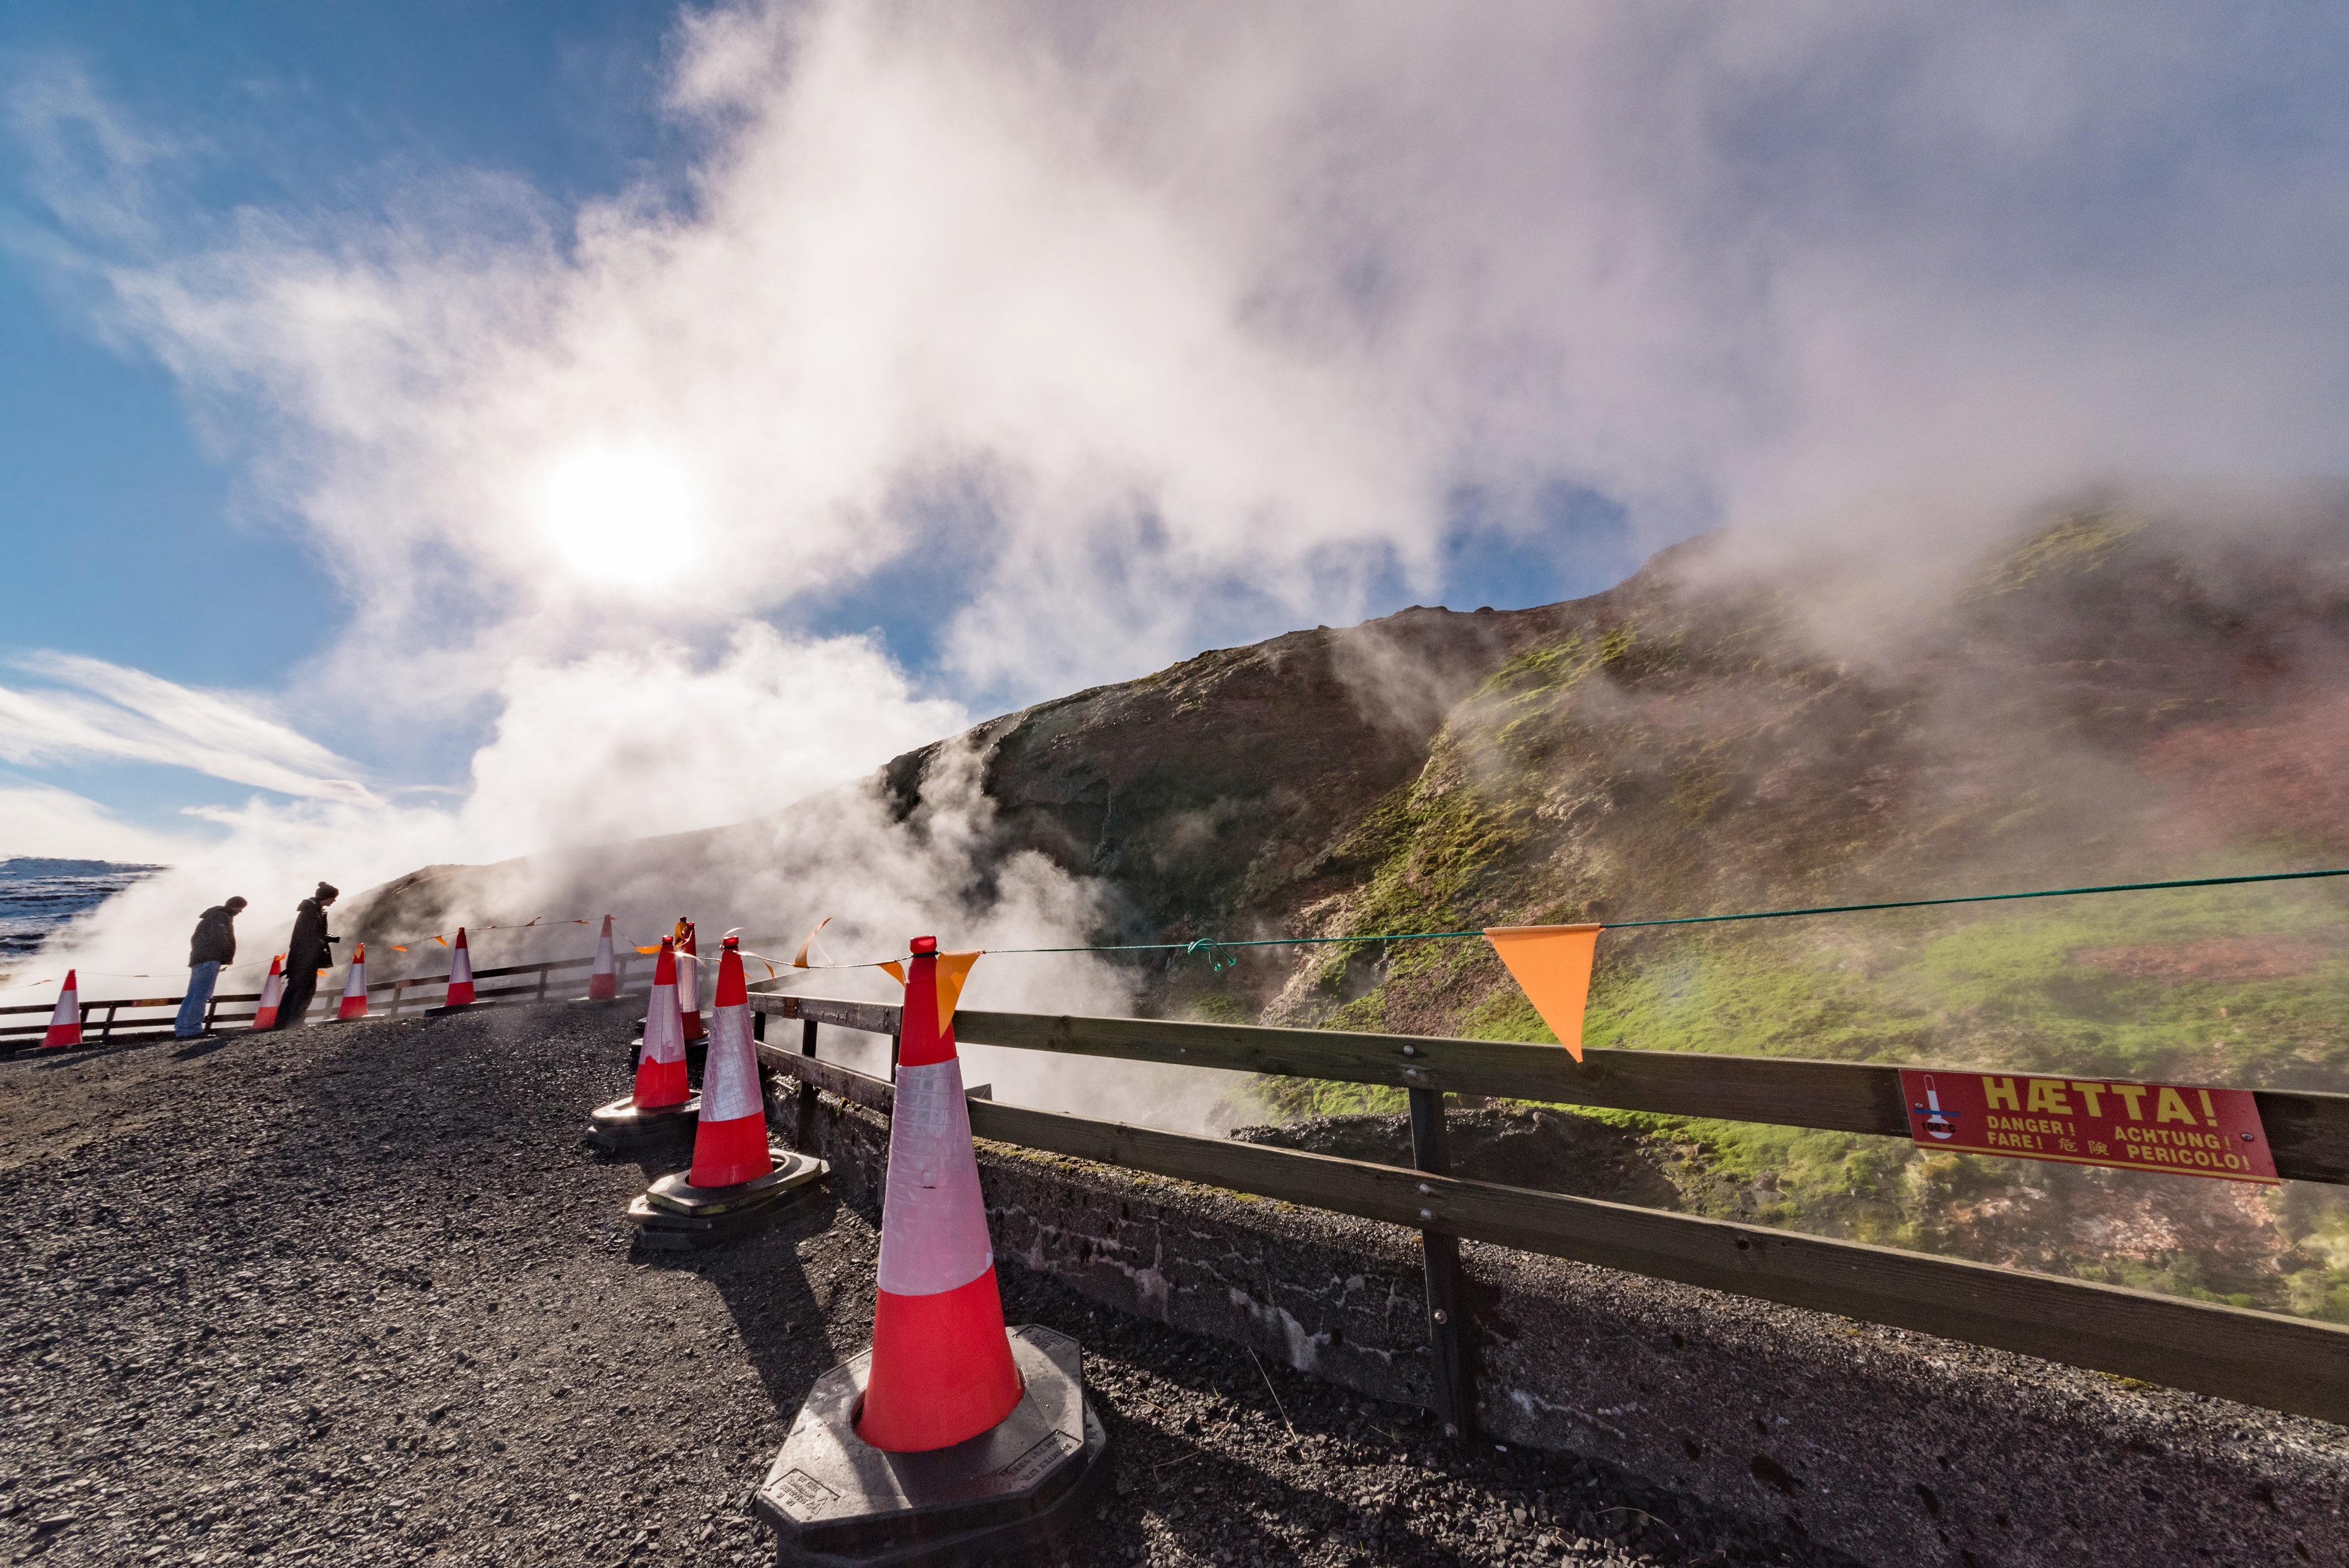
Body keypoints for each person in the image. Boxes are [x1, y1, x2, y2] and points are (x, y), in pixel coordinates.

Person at [173, 896, 246, 1039]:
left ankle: (182, 1029)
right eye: (241, 908)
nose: (241, 912)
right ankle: (193, 1029)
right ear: (236, 906)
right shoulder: (222, 917)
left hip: (198, 959)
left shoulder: (211, 917)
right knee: (202, 995)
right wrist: (225, 955)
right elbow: (219, 936)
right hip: (210, 959)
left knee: (192, 995)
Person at [273, 882, 340, 1029]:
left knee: (294, 988)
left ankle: (282, 1023)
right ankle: (296, 1022)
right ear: (326, 897)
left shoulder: (311, 910)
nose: (334, 901)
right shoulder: (311, 912)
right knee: (305, 989)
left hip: (299, 958)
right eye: (333, 897)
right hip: (306, 958)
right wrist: (324, 940)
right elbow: (308, 937)